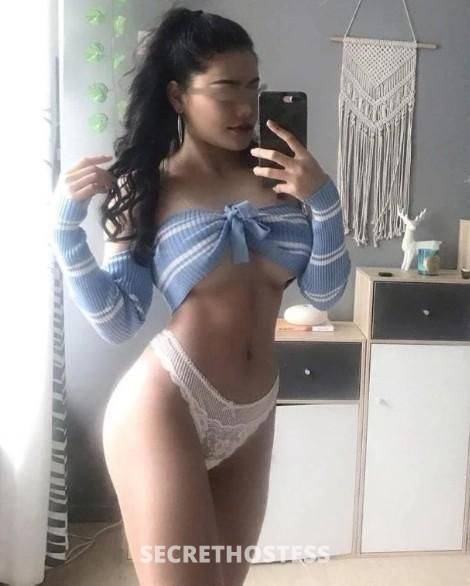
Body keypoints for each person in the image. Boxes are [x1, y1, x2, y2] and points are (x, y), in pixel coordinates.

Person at [49, 6, 351, 585]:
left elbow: (324, 291)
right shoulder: (147, 186)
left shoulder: (284, 179)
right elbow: (119, 319)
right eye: (225, 88)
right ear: (178, 96)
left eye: (253, 86)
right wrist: (66, 232)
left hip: (256, 409)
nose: (246, 107)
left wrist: (324, 202)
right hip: (167, 403)